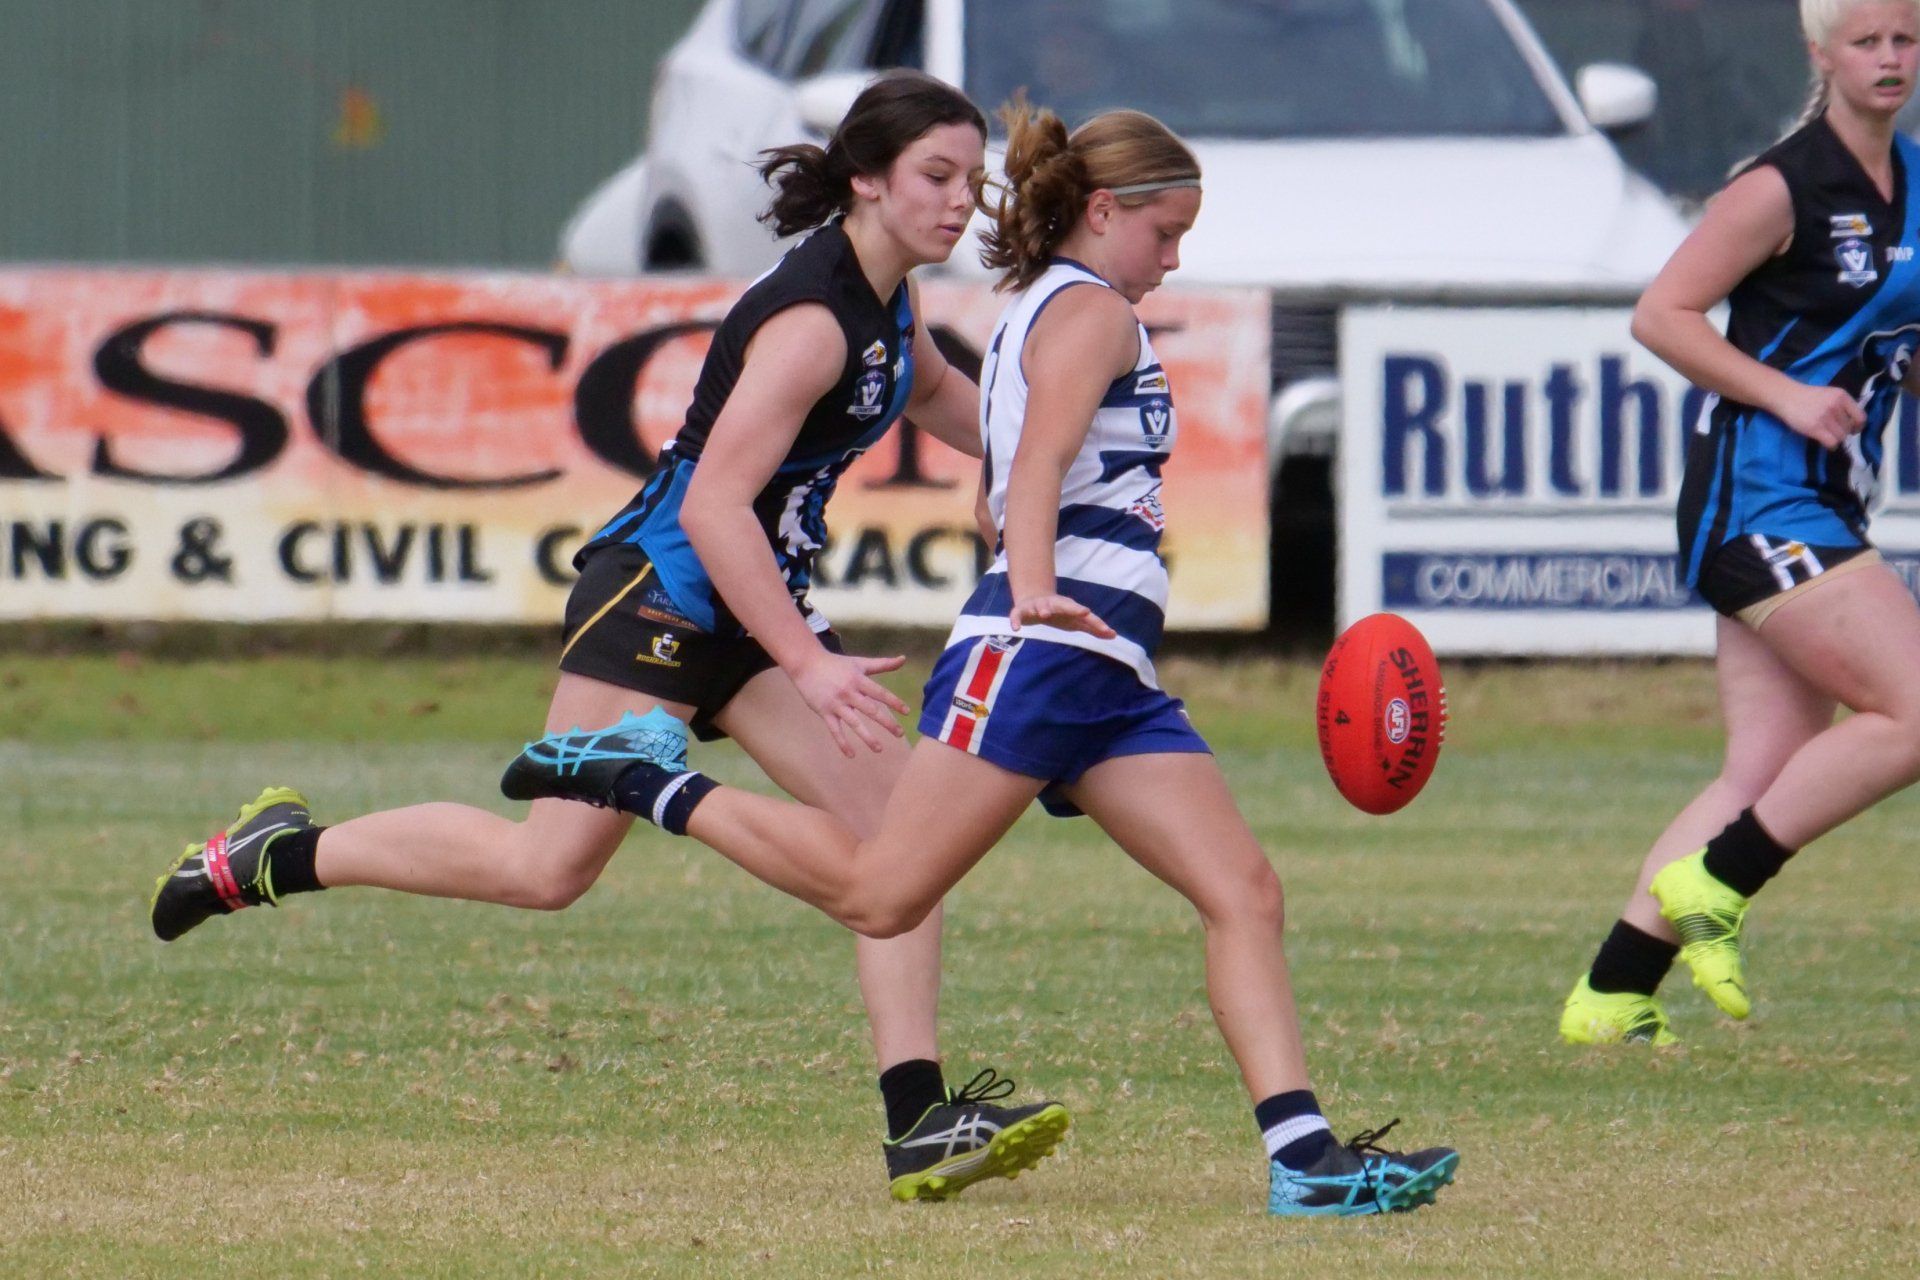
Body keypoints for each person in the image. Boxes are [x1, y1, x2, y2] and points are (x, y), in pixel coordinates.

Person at [504, 96, 1460, 1218]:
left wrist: (1024, 529)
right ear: (1104, 211)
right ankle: (647, 781)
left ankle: (1304, 1159)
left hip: (1106, 672)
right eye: (1165, 234)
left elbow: (999, 446)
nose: (1174, 259)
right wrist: (1033, 581)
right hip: (1028, 649)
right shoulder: (1082, 310)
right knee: (880, 891)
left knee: (1243, 889)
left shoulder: (986, 309)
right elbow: (1036, 464)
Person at [148, 70, 1070, 1203]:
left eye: (971, 179)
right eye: (936, 176)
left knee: (900, 847)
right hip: (659, 595)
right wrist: (809, 661)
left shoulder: (887, 303)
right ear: (868, 180)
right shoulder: (809, 324)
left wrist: (1042, 455)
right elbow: (711, 508)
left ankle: (920, 1120)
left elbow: (929, 393)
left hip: (748, 601)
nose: (960, 201)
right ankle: (269, 856)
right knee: (546, 870)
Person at [1562, 0, 1920, 1045]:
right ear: (1821, 53)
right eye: (1866, 41)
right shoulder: (1779, 186)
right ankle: (1718, 879)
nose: (1890, 58)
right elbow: (1661, 314)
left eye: (1906, 38)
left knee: (1761, 769)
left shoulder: (1914, 182)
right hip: (1757, 497)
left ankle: (1611, 996)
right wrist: (1786, 394)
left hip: (1828, 500)